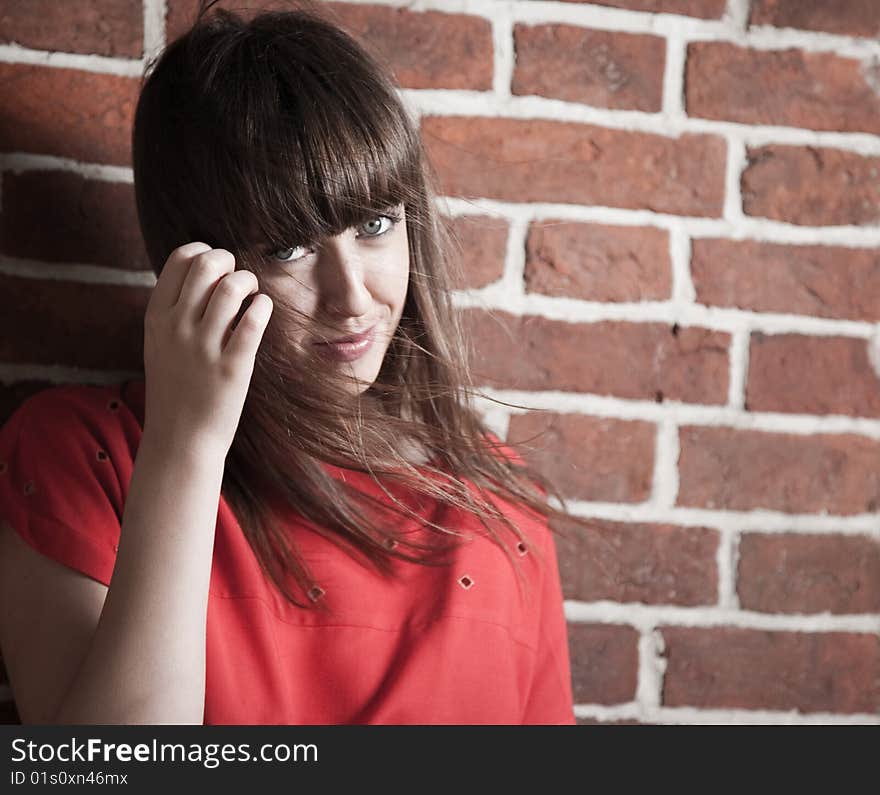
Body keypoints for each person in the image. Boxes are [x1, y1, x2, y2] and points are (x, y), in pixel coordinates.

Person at [0, 0, 581, 725]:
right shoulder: (83, 459)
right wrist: (188, 445)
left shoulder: (502, 507)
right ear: (196, 264)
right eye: (287, 247)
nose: (352, 296)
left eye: (375, 225)